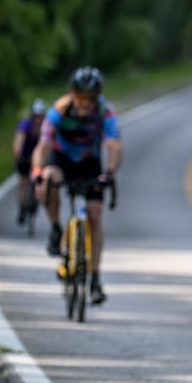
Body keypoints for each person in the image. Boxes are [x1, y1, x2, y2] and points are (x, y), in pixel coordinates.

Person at [32, 66, 122, 305]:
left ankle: (95, 279)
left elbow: (114, 145)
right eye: (81, 96)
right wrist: (37, 172)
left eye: (90, 98)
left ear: (97, 97)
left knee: (95, 214)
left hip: (89, 162)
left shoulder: (105, 112)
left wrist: (110, 172)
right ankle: (55, 229)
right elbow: (43, 146)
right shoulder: (59, 110)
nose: (85, 103)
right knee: (50, 179)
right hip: (61, 159)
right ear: (73, 94)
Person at [13, 98, 47, 224]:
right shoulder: (25, 125)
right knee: (23, 181)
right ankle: (22, 207)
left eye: (40, 116)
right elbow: (18, 143)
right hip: (25, 156)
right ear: (32, 116)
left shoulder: (47, 126)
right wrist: (18, 155)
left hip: (40, 157)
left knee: (42, 180)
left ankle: (36, 201)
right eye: (36, 117)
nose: (38, 120)